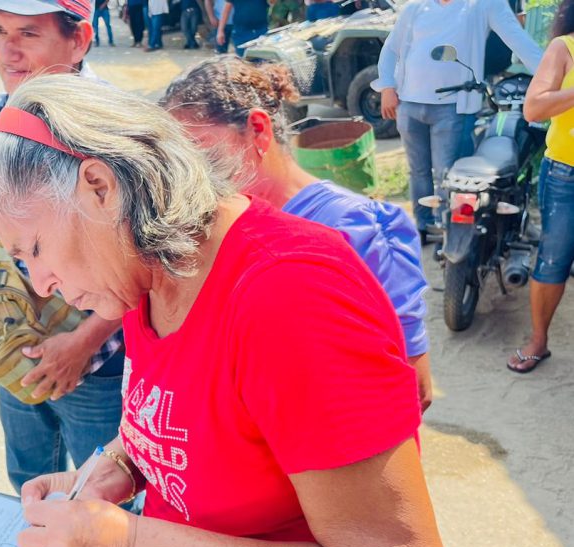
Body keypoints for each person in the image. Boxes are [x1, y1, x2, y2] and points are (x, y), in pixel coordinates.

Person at [0, 73, 452, 547]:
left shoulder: (289, 294)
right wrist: (118, 468)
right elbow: (198, 415)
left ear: (99, 188)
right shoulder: (147, 274)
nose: (41, 285)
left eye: (37, 250)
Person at [0, 0, 155, 547]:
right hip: (14, 352)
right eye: (0, 34)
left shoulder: (114, 126)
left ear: (80, 39)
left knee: (113, 508)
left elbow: (145, 261)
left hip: (98, 371)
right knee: (32, 486)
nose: (8, 53)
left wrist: (82, 340)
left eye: (29, 35)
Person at [162, 57, 434, 410]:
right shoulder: (217, 226)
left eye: (199, 149)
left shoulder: (357, 229)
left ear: (258, 129)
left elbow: (413, 384)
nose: (189, 173)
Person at [374, 0, 542, 243]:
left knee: (450, 177)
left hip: (453, 107)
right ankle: (423, 227)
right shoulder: (416, 8)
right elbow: (391, 49)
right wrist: (387, 86)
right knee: (418, 171)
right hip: (409, 104)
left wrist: (553, 74)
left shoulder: (483, 5)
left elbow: (519, 40)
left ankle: (450, 234)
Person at [508, 0, 574, 372]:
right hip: (567, 173)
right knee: (553, 260)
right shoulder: (564, 48)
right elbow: (533, 108)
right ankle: (539, 340)